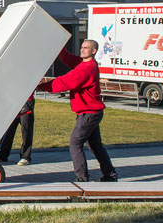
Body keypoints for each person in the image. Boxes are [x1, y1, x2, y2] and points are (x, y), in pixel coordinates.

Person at [37, 39, 119, 182]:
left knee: (75, 143)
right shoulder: (84, 64)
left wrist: (40, 86)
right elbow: (67, 58)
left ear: (93, 51)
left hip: (89, 113)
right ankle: (110, 174)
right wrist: (59, 44)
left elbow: (65, 82)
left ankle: (82, 178)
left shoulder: (87, 68)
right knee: (95, 146)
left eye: (86, 48)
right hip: (91, 112)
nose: (82, 49)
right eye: (81, 47)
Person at [0, 91, 35, 166]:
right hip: (13, 100)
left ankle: (25, 156)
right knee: (8, 129)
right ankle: (3, 155)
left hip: (26, 101)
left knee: (26, 129)